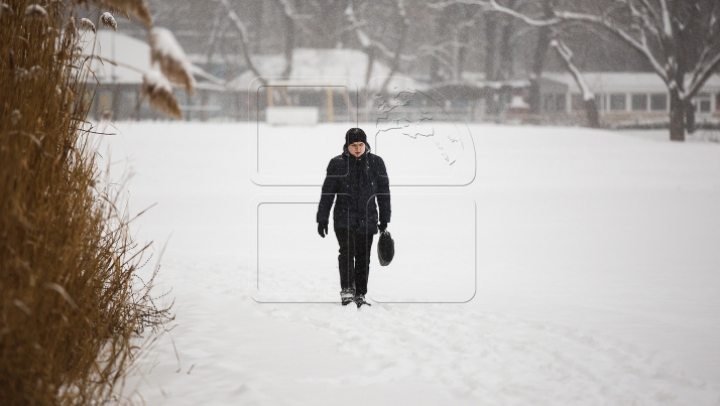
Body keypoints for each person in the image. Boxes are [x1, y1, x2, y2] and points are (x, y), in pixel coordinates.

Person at [317, 128, 391, 307]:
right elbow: (328, 193)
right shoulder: (337, 164)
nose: (357, 149)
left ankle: (360, 294)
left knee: (364, 257)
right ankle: (347, 290)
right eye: (353, 145)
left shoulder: (376, 163)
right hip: (344, 218)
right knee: (347, 253)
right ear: (346, 145)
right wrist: (322, 218)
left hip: (368, 218)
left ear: (365, 144)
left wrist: (384, 218)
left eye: (361, 144)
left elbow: (383, 193)